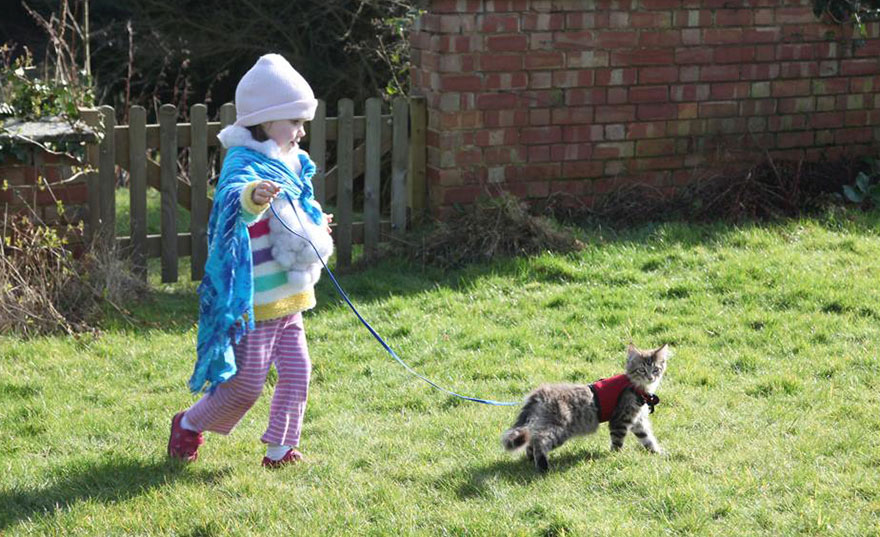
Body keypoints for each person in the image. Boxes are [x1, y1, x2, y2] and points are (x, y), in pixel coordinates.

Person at [167, 53, 333, 468]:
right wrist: (252, 197)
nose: (300, 130)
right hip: (256, 300)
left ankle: (280, 449)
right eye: (293, 121)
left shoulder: (292, 162)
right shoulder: (244, 162)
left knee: (298, 373)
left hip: (290, 295)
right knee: (245, 385)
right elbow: (232, 200)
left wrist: (315, 219)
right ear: (264, 120)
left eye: (302, 123)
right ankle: (188, 423)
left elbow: (299, 205)